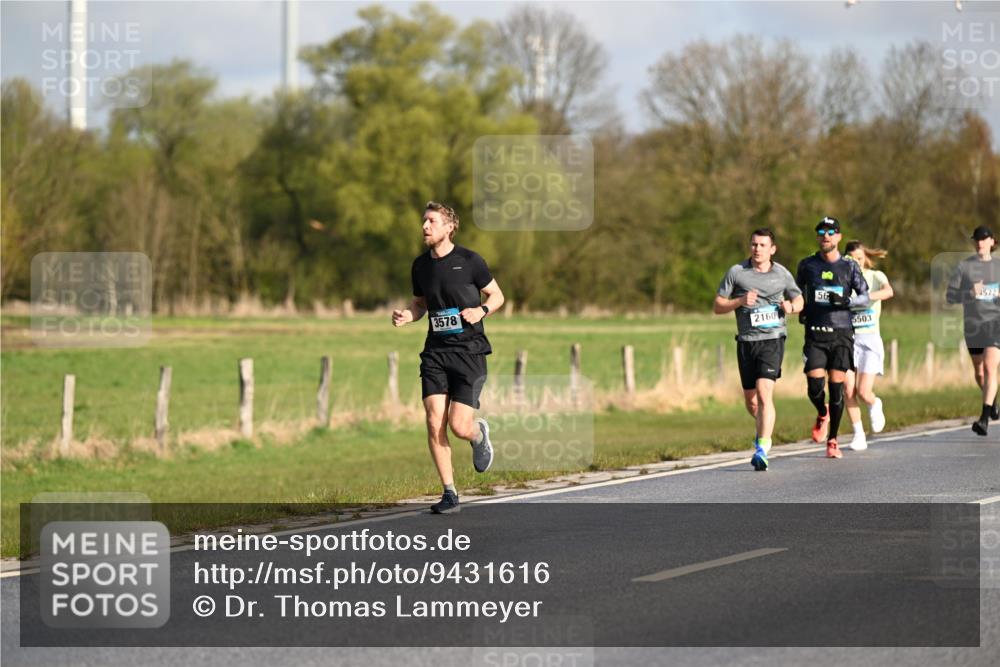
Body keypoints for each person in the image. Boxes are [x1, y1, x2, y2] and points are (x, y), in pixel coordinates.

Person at [392, 201, 505, 512]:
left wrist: (480, 310)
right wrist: (407, 315)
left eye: (431, 221)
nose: (425, 227)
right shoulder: (420, 265)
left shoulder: (470, 261)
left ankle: (478, 433)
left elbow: (497, 295)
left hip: (469, 352)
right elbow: (420, 304)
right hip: (436, 353)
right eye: (423, 222)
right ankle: (449, 493)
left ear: (449, 227)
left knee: (458, 426)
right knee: (432, 421)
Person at [714, 228, 804, 471]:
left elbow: (799, 299)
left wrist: (791, 307)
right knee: (752, 403)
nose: (757, 249)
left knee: (765, 394)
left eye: (762, 245)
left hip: (772, 340)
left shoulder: (781, 274)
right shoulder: (737, 272)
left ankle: (762, 449)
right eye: (754, 244)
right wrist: (740, 301)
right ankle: (764, 429)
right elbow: (718, 305)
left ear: (772, 249)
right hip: (746, 341)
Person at [796, 217, 870, 459]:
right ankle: (822, 412)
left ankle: (833, 440)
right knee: (815, 387)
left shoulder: (849, 267)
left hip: (841, 335)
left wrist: (847, 301)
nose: (825, 236)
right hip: (816, 334)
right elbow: (797, 293)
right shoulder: (807, 265)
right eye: (821, 231)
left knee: (837, 389)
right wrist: (799, 307)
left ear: (838, 236)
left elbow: (865, 296)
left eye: (831, 232)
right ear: (817, 236)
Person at [946, 225, 1000, 436]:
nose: (980, 243)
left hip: (995, 323)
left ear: (992, 242)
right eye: (977, 239)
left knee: (989, 368)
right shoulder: (964, 267)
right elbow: (950, 297)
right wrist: (969, 292)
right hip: (973, 325)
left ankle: (984, 418)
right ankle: (992, 401)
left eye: (984, 239)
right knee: (979, 372)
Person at [843, 241, 894, 451]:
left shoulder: (876, 276)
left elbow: (888, 291)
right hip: (848, 339)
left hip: (869, 339)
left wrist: (866, 298)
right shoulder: (843, 279)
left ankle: (874, 403)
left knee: (863, 391)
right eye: (851, 259)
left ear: (866, 258)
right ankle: (858, 434)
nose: (856, 262)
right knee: (848, 390)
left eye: (859, 258)